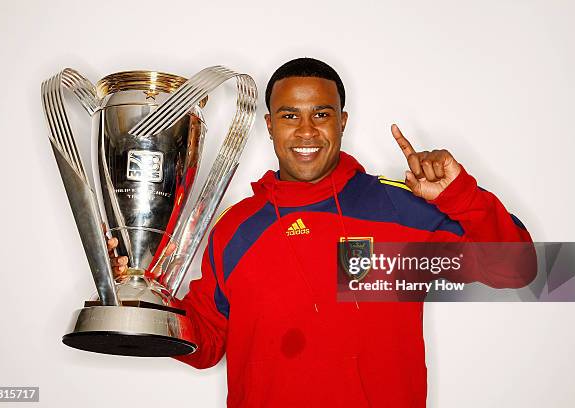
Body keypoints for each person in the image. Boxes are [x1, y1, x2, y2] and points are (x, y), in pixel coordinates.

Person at [109, 58, 532, 407]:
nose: (307, 131)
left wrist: (459, 194)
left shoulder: (402, 208)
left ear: (343, 122)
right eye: (290, 115)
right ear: (270, 124)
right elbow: (206, 344)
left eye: (322, 114)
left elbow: (517, 271)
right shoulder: (234, 228)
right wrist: (141, 294)